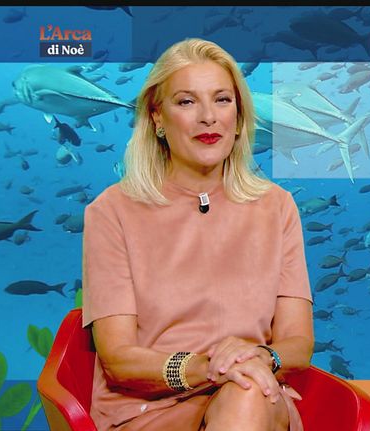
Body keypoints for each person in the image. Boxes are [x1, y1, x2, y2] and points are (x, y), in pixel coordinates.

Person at [81, 38, 314, 431]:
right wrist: (208, 368)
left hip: (257, 397)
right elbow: (119, 359)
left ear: (239, 116)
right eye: (187, 102)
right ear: (157, 117)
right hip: (148, 413)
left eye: (222, 100)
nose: (208, 117)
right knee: (245, 390)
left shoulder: (278, 207)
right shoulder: (111, 212)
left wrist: (261, 357)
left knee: (246, 394)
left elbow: (298, 344)